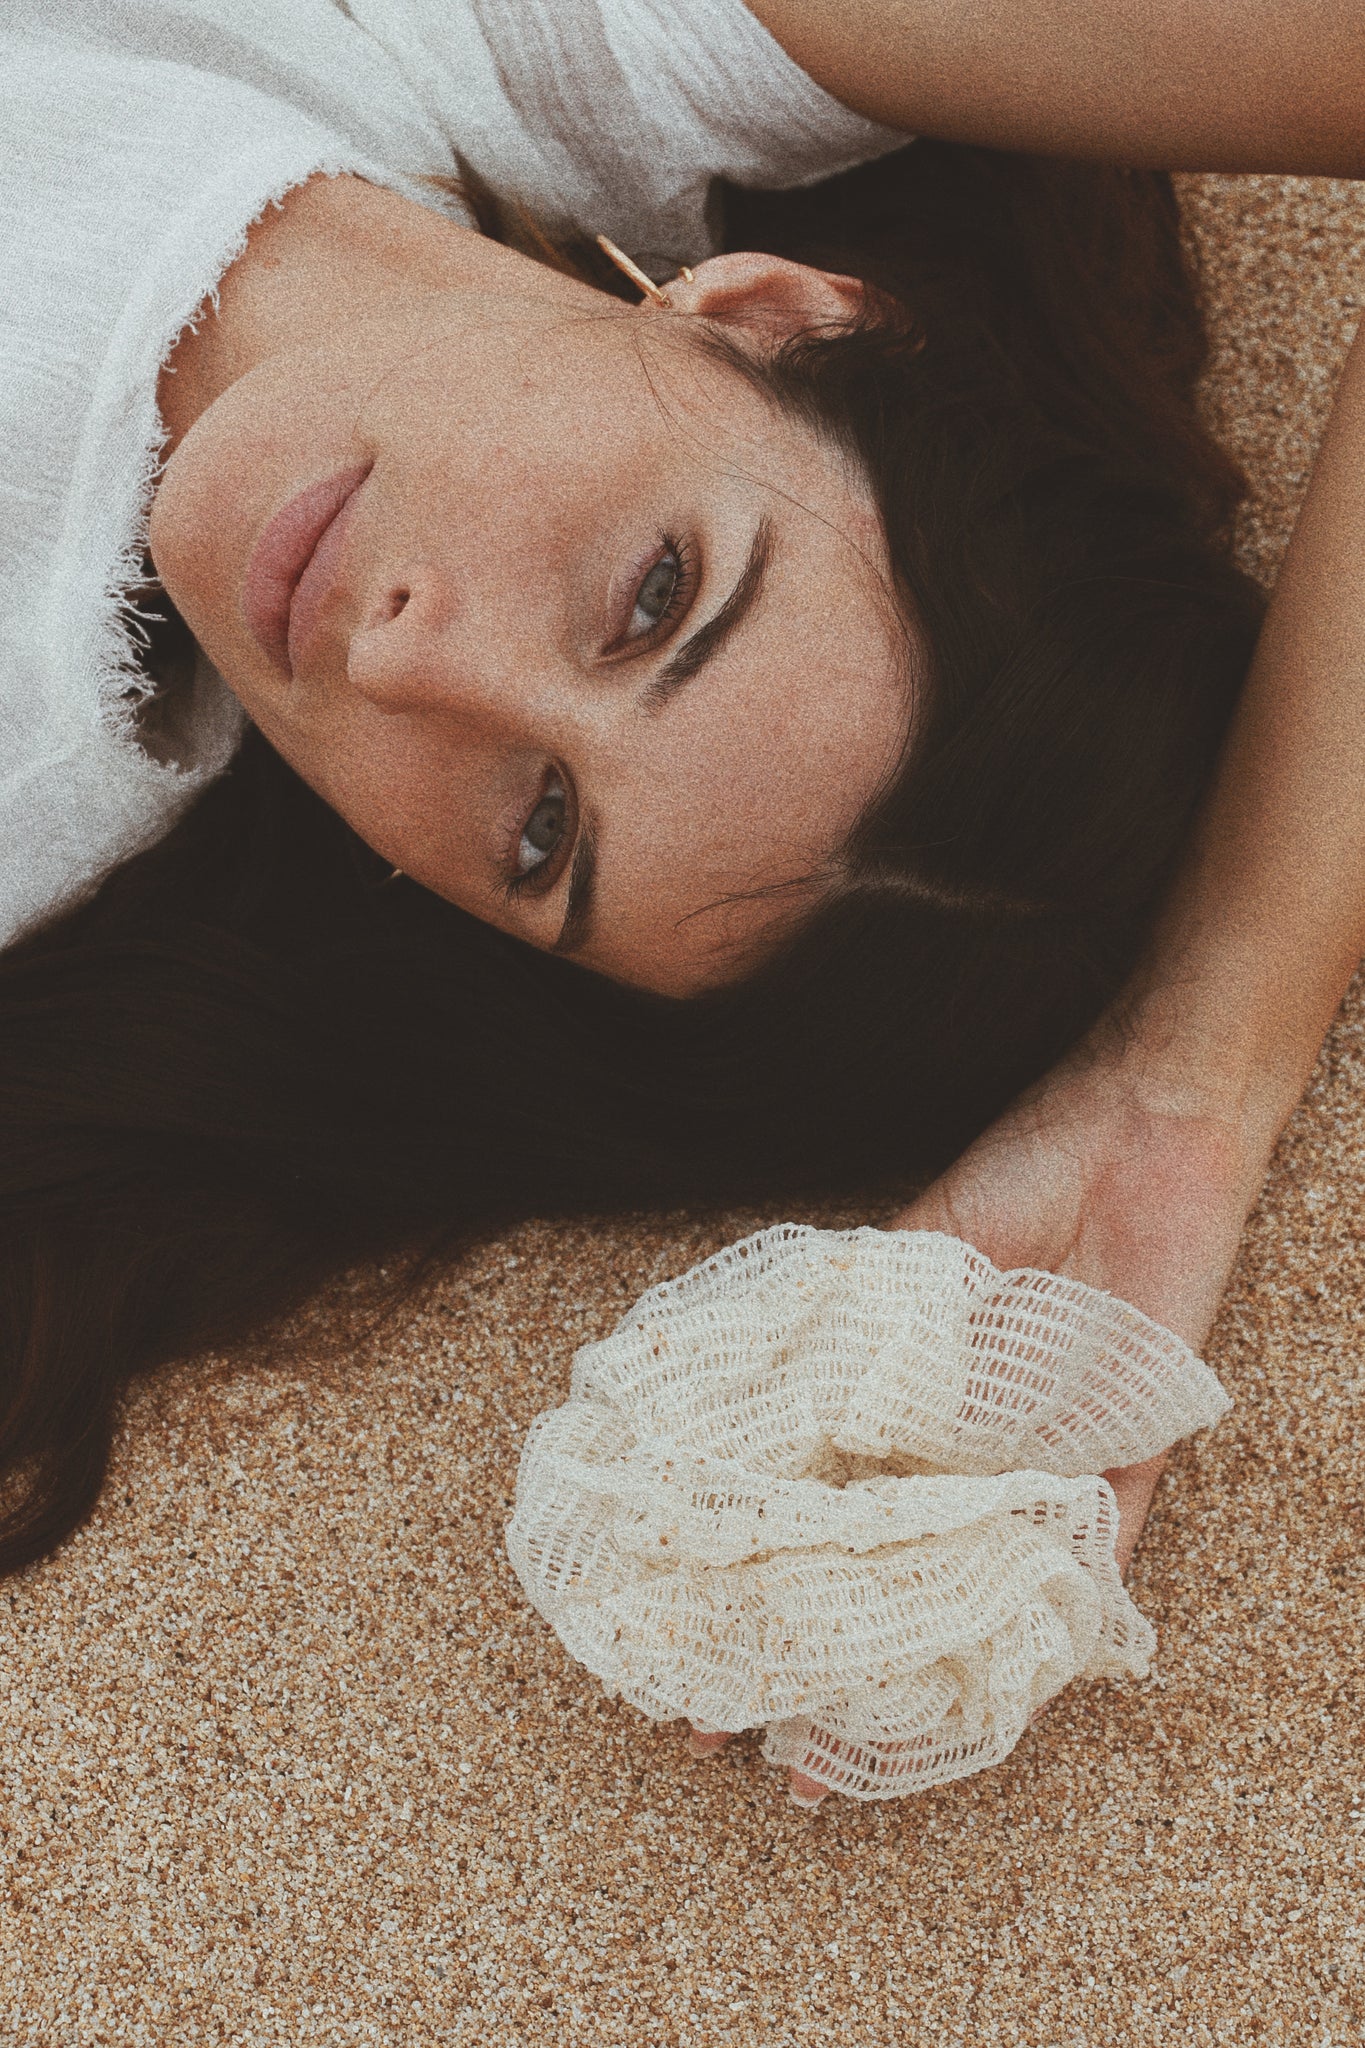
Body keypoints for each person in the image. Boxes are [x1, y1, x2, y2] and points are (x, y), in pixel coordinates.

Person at [0, 1, 1359, 1738]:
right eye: (655, 596)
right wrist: (1214, 1034)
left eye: (538, 834)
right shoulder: (545, 42)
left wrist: (1177, 1086)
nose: (420, 666)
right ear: (765, 317)